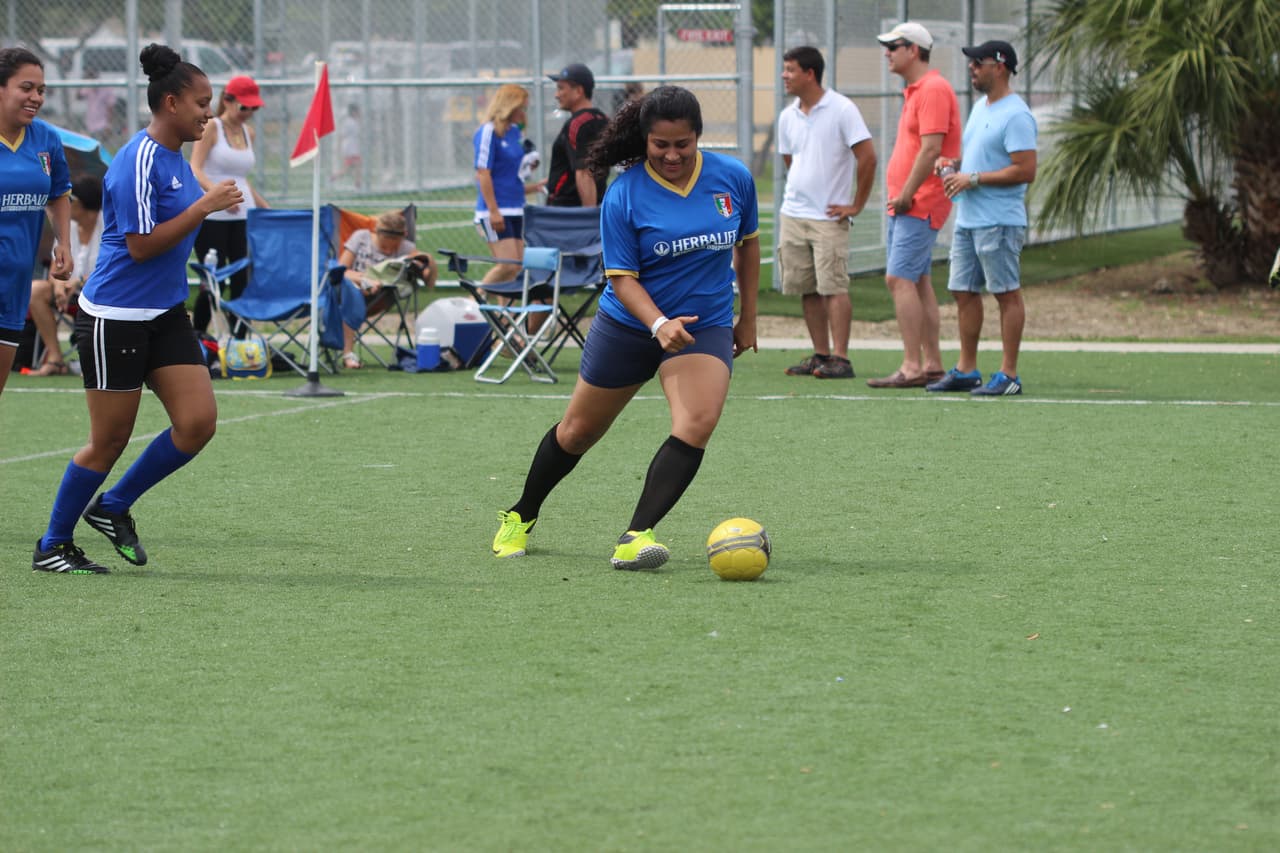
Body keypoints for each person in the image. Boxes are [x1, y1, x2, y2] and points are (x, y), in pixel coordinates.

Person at [490, 86, 760, 571]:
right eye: (661, 145)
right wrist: (657, 323)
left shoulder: (733, 178)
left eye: (683, 144)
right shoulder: (624, 194)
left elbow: (748, 245)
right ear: (644, 140)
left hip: (705, 324)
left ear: (698, 136)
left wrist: (749, 318)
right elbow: (621, 277)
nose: (673, 154)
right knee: (577, 432)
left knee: (697, 422)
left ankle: (636, 535)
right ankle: (521, 513)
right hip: (629, 325)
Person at [32, 43, 243, 575]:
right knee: (108, 441)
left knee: (197, 424)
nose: (208, 113)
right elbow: (141, 246)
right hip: (114, 319)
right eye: (201, 102)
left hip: (164, 313)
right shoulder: (139, 158)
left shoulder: (174, 157)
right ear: (170, 102)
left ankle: (113, 506)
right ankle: (53, 544)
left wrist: (202, 208)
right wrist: (202, 206)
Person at [928, 40, 1038, 397]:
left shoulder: (1016, 114)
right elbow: (982, 159)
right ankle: (966, 369)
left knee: (1006, 294)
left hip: (999, 221)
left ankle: (1008, 374)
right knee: (962, 291)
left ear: (1000, 66)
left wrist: (972, 179)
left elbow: (1025, 169)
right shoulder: (980, 108)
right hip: (969, 220)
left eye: (979, 62)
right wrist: (954, 166)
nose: (972, 68)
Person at [866, 22, 961, 389]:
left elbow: (932, 148)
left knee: (899, 278)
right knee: (919, 281)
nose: (888, 52)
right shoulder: (918, 90)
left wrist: (907, 193)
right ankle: (932, 363)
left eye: (894, 45)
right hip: (909, 202)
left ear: (915, 49)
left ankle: (912, 365)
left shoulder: (933, 88)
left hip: (918, 202)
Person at [776, 46, 877, 380]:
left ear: (810, 73)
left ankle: (841, 358)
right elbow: (790, 160)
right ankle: (820, 355)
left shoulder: (842, 109)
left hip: (829, 218)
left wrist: (856, 205)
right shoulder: (788, 115)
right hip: (793, 214)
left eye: (790, 70)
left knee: (833, 286)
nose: (784, 76)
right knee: (807, 287)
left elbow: (868, 157)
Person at [0, 47, 73, 397]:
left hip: (14, 286)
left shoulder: (45, 138)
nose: (36, 97)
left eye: (41, 90)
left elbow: (59, 193)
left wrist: (64, 244)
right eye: (26, 87)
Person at [190, 74, 269, 335]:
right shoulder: (212, 127)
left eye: (254, 108)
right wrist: (217, 195)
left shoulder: (249, 133)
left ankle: (240, 341)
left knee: (241, 280)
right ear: (228, 100)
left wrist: (263, 207)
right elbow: (195, 168)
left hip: (242, 217)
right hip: (213, 217)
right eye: (244, 106)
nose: (249, 112)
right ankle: (198, 335)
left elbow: (242, 179)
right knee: (213, 281)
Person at [336, 209, 437, 369]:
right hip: (352, 290)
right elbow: (340, 271)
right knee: (351, 291)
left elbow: (429, 283)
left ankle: (348, 353)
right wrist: (363, 279)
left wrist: (429, 260)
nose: (389, 251)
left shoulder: (407, 248)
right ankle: (347, 353)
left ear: (403, 236)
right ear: (376, 232)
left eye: (395, 244)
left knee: (352, 294)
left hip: (382, 297)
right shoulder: (361, 238)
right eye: (384, 245)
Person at [27, 174, 104, 376]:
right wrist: (59, 285)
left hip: (101, 294)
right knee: (36, 291)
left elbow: (111, 268)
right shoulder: (67, 226)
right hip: (70, 293)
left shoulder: (109, 224)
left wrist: (78, 283)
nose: (65, 204)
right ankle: (55, 359)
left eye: (70, 200)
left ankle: (98, 358)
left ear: (80, 203)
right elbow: (57, 264)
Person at [472, 84, 544, 285]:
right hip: (495, 211)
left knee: (516, 268)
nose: (523, 113)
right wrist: (494, 211)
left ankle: (503, 316)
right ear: (509, 106)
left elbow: (511, 177)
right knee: (508, 265)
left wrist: (534, 187)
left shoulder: (514, 132)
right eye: (521, 107)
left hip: (515, 208)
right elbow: (483, 174)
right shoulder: (488, 132)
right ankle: (476, 299)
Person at [544, 63, 608, 207]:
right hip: (594, 204)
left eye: (561, 88)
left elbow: (584, 173)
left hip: (569, 212)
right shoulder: (602, 119)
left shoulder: (578, 123)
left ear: (579, 91)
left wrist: (588, 217)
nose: (556, 95)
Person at [333, 103, 362, 188]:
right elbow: (342, 135)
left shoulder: (354, 122)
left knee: (351, 168)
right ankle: (357, 184)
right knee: (354, 166)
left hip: (353, 148)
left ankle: (334, 177)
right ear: (353, 112)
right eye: (357, 111)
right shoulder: (349, 122)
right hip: (350, 149)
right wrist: (339, 147)